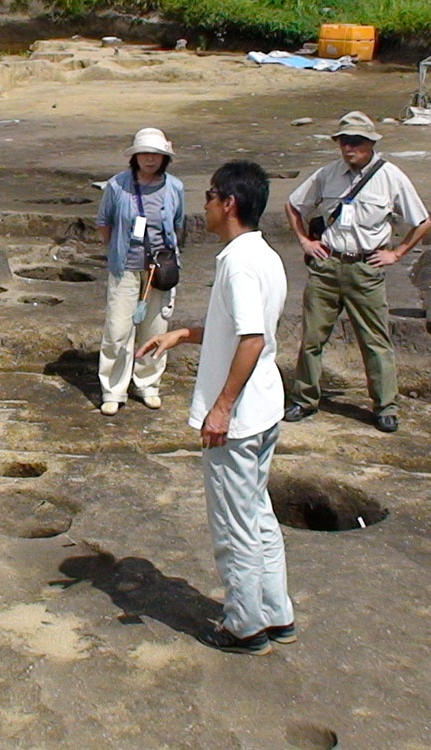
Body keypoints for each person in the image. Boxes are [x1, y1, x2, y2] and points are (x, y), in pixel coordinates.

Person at [137, 161, 293, 655]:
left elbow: (252, 338)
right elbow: (237, 328)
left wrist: (221, 407)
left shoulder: (238, 264)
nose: (202, 204)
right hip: (264, 407)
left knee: (234, 525)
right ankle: (276, 612)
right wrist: (182, 334)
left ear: (229, 203)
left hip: (240, 420)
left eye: (209, 195)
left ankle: (244, 626)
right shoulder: (263, 254)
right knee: (258, 515)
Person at [283, 111, 431, 434]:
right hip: (327, 266)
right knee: (312, 338)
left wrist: (397, 253)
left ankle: (385, 406)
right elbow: (294, 205)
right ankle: (304, 399)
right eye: (344, 141)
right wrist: (305, 241)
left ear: (370, 143)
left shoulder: (390, 176)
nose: (349, 148)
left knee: (375, 341)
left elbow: (422, 221)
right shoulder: (327, 174)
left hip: (366, 269)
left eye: (356, 141)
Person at [96, 127, 184, 415]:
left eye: (156, 154)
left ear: (164, 158)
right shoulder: (117, 185)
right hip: (126, 267)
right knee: (117, 330)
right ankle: (113, 389)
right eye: (144, 153)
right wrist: (116, 251)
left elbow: (178, 224)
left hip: (160, 269)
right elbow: (104, 222)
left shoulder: (174, 187)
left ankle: (148, 384)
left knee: (155, 328)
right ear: (134, 156)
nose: (150, 159)